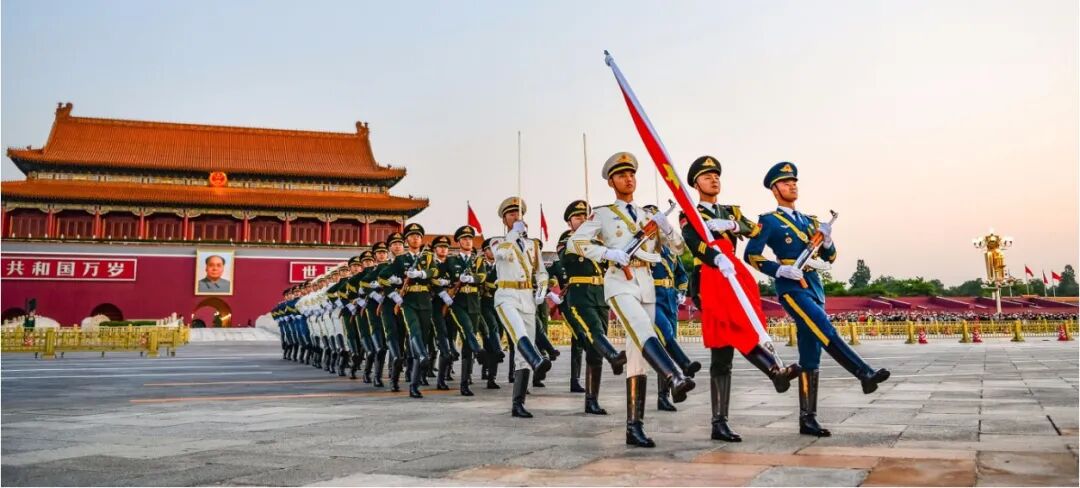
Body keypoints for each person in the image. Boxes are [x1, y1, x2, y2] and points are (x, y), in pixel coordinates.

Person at [744, 161, 890, 437]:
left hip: (814, 286)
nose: (792, 186)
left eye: (794, 182)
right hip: (792, 287)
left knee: (810, 353)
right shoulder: (769, 221)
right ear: (775, 189)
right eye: (786, 182)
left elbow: (830, 257)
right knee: (824, 328)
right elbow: (751, 254)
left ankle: (807, 419)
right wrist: (778, 270)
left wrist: (828, 241)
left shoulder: (810, 222)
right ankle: (864, 373)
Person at [569, 152, 694, 448]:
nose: (628, 179)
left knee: (637, 356)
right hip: (619, 281)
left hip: (646, 283)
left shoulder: (647, 216)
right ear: (611, 182)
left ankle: (634, 427)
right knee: (641, 327)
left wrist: (666, 227)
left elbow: (679, 249)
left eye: (631, 174)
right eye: (622, 175)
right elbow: (576, 243)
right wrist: (607, 253)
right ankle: (674, 376)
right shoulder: (603, 214)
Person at [681, 155, 799, 442]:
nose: (714, 180)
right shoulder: (690, 212)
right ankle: (770, 374)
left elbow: (753, 229)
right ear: (696, 184)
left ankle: (771, 374)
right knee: (724, 344)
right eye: (707, 177)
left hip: (733, 274)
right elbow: (693, 243)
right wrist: (715, 256)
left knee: (738, 331)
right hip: (710, 276)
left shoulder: (731, 211)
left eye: (716, 176)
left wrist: (733, 226)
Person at [491, 197, 552, 418]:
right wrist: (513, 234)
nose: (517, 217)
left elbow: (541, 271)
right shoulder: (498, 241)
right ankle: (538, 360)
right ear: (504, 220)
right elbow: (501, 254)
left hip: (527, 297)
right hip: (506, 295)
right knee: (518, 332)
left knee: (521, 354)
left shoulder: (532, 245)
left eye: (519, 214)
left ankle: (518, 403)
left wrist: (542, 287)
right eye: (511, 214)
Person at [643, 203, 699, 413]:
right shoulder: (644, 246)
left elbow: (682, 275)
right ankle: (684, 365)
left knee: (668, 342)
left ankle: (666, 394)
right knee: (665, 333)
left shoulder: (669, 250)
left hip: (669, 298)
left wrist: (682, 291)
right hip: (652, 296)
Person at [381, 224, 440, 399]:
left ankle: (414, 384)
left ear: (421, 240)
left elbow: (435, 271)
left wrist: (421, 274)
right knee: (414, 332)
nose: (415, 239)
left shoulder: (428, 257)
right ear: (407, 240)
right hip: (408, 302)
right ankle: (418, 360)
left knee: (421, 338)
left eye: (418, 236)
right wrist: (394, 293)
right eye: (412, 236)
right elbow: (382, 277)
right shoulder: (401, 260)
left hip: (425, 301)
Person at [445, 225, 488, 396]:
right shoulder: (451, 261)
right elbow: (441, 277)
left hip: (474, 304)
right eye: (464, 239)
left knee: (467, 343)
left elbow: (482, 276)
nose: (468, 241)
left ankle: (465, 382)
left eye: (470, 239)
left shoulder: (478, 261)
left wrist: (471, 278)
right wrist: (446, 287)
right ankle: (479, 350)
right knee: (467, 329)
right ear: (458, 242)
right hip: (457, 303)